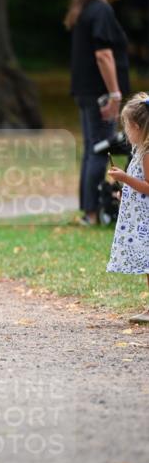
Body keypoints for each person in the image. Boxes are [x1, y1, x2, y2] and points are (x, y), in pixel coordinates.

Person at [65, 0, 130, 225]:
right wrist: (114, 94)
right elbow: (103, 55)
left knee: (93, 148)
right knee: (100, 149)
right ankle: (92, 214)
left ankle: (89, 211)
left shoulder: (86, 9)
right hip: (100, 94)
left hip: (86, 92)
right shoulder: (101, 11)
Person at [107, 93, 149, 324]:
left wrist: (125, 179)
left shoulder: (148, 153)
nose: (126, 133)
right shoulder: (140, 151)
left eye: (127, 128)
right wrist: (126, 192)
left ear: (136, 126)